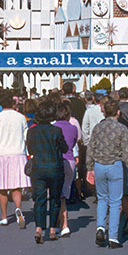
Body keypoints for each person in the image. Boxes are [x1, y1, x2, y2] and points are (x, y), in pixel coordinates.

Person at [87, 99, 128, 249]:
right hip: (115, 165)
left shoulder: (97, 128)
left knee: (102, 199)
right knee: (115, 202)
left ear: (104, 111)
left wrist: (89, 168)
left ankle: (100, 227)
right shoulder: (122, 129)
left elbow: (90, 148)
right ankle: (113, 237)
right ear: (118, 112)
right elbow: (127, 151)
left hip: (99, 164)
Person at [0, 89, 30, 227]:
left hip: (2, 155)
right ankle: (18, 209)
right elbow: (26, 137)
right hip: (18, 154)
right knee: (16, 188)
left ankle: (4, 216)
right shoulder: (20, 117)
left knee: (2, 188)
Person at [26, 101, 69, 243]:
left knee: (39, 199)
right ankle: (52, 229)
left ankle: (39, 228)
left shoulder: (31, 131)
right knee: (55, 199)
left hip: (38, 169)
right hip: (55, 168)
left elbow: (30, 149)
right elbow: (64, 148)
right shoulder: (56, 131)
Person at [53, 101, 79, 236]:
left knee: (58, 194)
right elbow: (74, 143)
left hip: (57, 160)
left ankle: (63, 224)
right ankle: (60, 222)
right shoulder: (73, 128)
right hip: (70, 160)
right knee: (64, 192)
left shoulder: (54, 127)